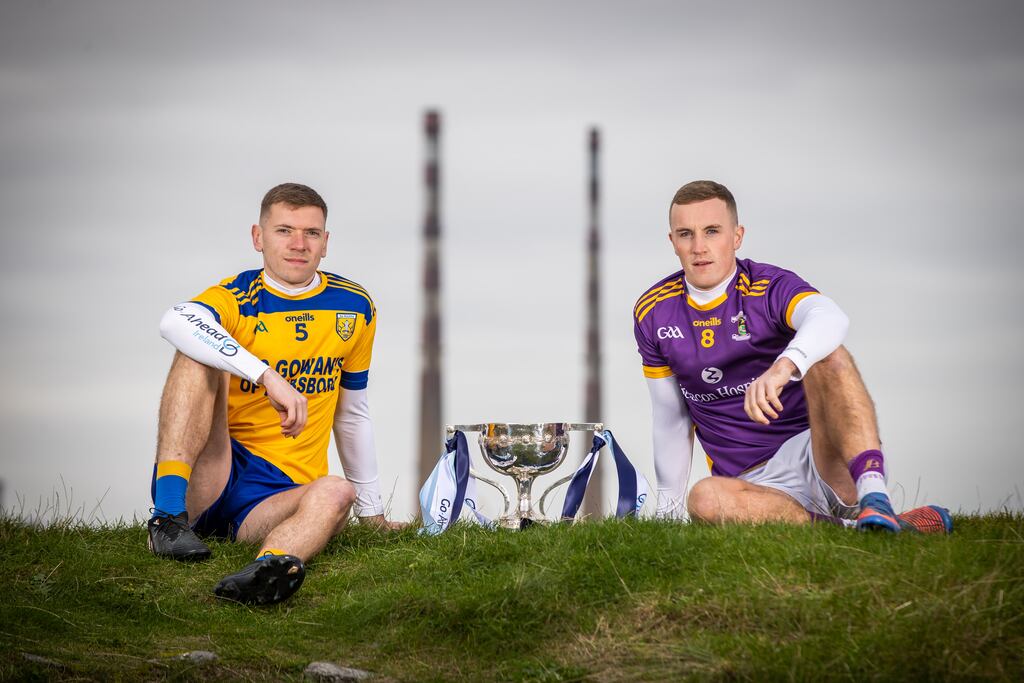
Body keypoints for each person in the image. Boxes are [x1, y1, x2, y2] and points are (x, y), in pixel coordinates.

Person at [634, 180, 951, 533]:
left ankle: (875, 499)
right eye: (686, 234)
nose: (699, 247)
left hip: (823, 460)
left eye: (712, 231)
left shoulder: (768, 286)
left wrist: (785, 365)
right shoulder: (654, 311)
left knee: (828, 353)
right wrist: (667, 510)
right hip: (751, 484)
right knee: (704, 499)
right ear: (672, 242)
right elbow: (671, 418)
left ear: (736, 236)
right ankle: (861, 530)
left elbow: (831, 317)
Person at [149, 182, 403, 605]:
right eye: (284, 230)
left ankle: (266, 571)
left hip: (278, 499)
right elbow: (177, 320)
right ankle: (168, 519)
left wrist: (372, 513)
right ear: (258, 237)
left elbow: (353, 411)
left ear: (326, 243)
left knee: (338, 490)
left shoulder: (354, 307)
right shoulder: (237, 296)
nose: (299, 244)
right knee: (194, 353)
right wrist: (267, 376)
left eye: (312, 233)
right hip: (214, 473)